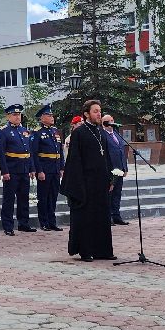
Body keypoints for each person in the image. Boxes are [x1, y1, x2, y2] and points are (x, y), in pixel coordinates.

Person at [61, 99, 116, 262]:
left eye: (100, 111)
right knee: (86, 217)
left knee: (102, 216)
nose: (99, 114)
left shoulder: (101, 132)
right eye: (95, 111)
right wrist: (78, 184)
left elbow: (106, 157)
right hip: (85, 183)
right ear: (86, 114)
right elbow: (74, 161)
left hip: (101, 182)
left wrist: (111, 178)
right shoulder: (79, 133)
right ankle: (86, 250)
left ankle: (103, 250)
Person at [0, 104, 35, 235]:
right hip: (12, 169)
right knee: (9, 199)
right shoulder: (3, 131)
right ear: (8, 116)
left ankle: (24, 223)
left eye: (19, 114)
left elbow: (29, 151)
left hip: (24, 169)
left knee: (24, 198)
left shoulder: (24, 130)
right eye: (14, 114)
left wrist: (32, 168)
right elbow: (1, 154)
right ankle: (8, 226)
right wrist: (4, 171)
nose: (17, 117)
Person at [31, 105, 64, 231]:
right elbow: (34, 153)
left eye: (52, 115)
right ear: (42, 117)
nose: (52, 117)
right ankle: (44, 222)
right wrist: (39, 170)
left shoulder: (55, 131)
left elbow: (59, 151)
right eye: (49, 115)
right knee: (43, 197)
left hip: (55, 169)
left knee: (53, 196)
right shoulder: (37, 132)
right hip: (44, 168)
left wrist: (61, 167)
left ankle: (52, 221)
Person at [103, 115, 130, 225]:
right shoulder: (103, 136)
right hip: (110, 169)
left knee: (117, 194)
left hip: (120, 169)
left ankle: (116, 215)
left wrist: (125, 167)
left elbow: (122, 152)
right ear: (104, 123)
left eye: (113, 120)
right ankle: (108, 216)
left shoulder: (117, 134)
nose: (112, 123)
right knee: (109, 194)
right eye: (109, 121)